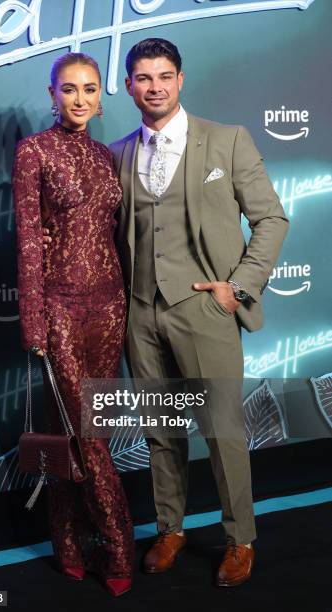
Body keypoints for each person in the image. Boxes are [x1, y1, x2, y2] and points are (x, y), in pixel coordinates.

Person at [43, 39, 289, 587]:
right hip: (139, 314)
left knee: (223, 431)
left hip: (203, 307)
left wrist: (239, 288)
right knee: (161, 429)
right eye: (142, 78)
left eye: (164, 76)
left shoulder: (227, 141)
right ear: (127, 87)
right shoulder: (119, 154)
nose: (154, 86)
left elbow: (271, 220)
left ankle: (240, 539)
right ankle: (171, 527)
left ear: (181, 81)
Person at [12, 52, 134, 597]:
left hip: (110, 307)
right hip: (59, 308)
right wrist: (34, 324)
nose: (79, 99)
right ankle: (118, 548)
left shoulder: (108, 157)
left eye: (88, 89)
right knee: (84, 430)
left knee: (84, 431)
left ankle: (66, 544)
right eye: (68, 89)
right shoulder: (32, 152)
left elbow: (115, 237)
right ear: (52, 93)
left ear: (101, 95)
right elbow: (29, 243)